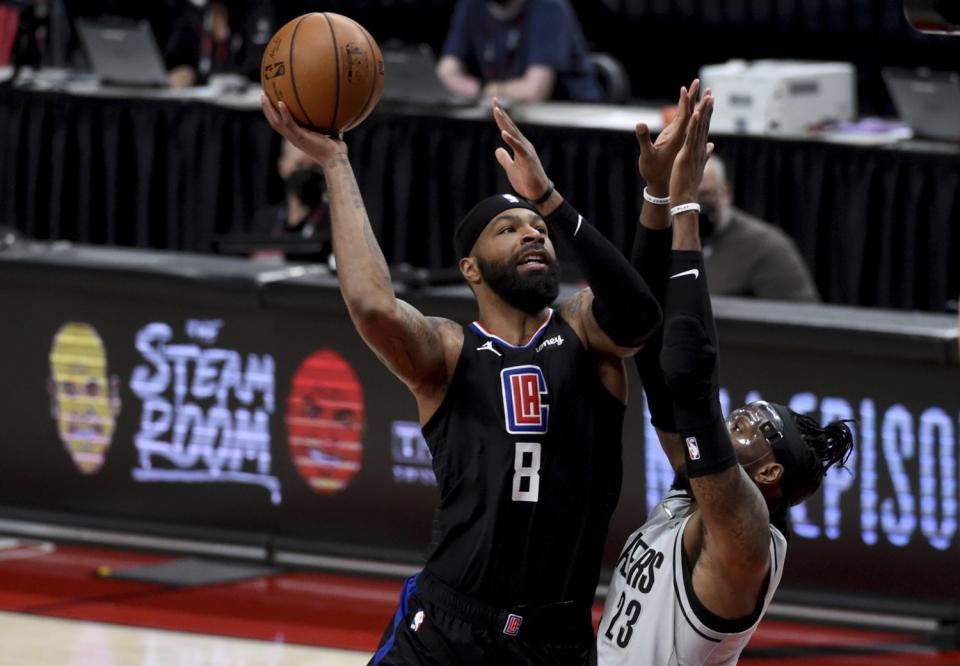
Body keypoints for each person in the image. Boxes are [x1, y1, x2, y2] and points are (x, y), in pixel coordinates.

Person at [261, 89, 661, 664]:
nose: (532, 234)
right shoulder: (450, 350)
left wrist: (549, 200)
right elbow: (374, 307)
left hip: (555, 639)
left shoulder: (584, 330)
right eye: (509, 229)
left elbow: (641, 315)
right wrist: (335, 163)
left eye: (539, 230)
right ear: (470, 268)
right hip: (446, 628)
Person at [596, 81, 854, 665]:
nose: (736, 416)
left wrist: (686, 207)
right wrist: (656, 197)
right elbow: (645, 337)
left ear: (765, 472)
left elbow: (690, 376)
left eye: (752, 426)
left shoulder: (745, 537)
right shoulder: (700, 495)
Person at [698, 155, 820, 302]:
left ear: (726, 193)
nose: (693, 205)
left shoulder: (766, 248)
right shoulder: (665, 238)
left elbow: (802, 318)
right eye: (682, 195)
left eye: (704, 195)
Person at [436, 0, 601, 103]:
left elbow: (534, 92)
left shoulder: (550, 7)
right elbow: (444, 72)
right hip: (507, 114)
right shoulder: (472, 5)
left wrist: (481, 89)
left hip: (568, 124)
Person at [248, 138, 332, 262]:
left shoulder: (332, 223)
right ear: (282, 166)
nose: (307, 173)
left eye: (314, 166)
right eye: (300, 165)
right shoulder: (265, 221)